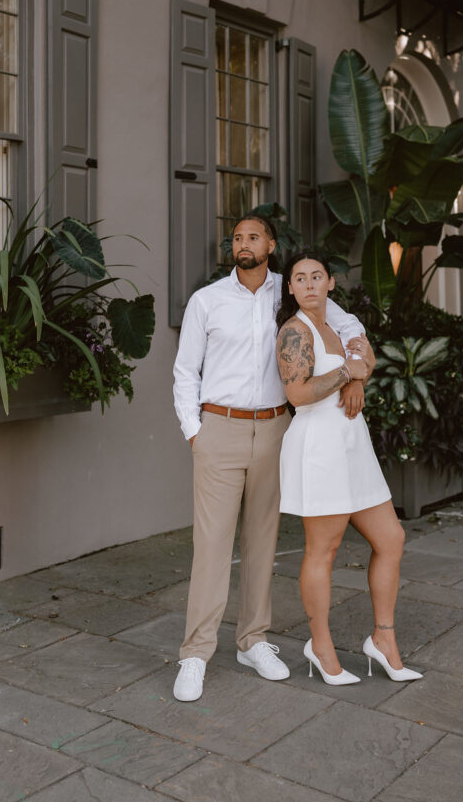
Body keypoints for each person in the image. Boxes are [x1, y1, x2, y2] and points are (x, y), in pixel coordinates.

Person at [172, 216, 373, 702]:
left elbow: (347, 324)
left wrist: (356, 374)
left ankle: (252, 641)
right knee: (212, 544)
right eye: (237, 238)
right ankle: (196, 654)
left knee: (263, 541)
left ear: (270, 245)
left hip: (279, 429)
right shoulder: (208, 300)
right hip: (219, 428)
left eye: (252, 237)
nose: (243, 244)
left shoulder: (294, 288)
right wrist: (195, 433)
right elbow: (184, 372)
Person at [276, 251, 422, 685]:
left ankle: (383, 638)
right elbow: (298, 395)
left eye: (317, 276)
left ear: (331, 284)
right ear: (290, 288)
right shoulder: (294, 332)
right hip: (319, 446)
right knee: (324, 548)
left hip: (352, 445)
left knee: (391, 538)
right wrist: (347, 373)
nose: (309, 284)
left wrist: (357, 374)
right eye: (299, 278)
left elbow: (366, 361)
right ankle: (320, 647)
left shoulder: (337, 324)